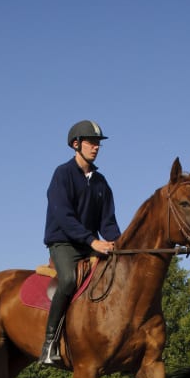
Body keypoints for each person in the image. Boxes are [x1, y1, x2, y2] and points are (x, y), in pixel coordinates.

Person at [39, 120, 121, 364]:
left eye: (98, 143)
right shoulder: (62, 174)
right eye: (91, 142)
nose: (96, 147)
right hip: (63, 243)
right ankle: (49, 344)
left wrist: (120, 244)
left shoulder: (101, 182)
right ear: (76, 144)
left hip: (89, 244)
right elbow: (63, 216)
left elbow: (108, 222)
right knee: (68, 280)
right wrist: (92, 241)